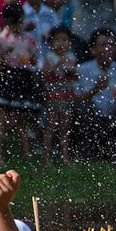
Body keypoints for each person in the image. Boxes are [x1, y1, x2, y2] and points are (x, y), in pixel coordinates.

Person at [0, 3, 41, 162]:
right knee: (3, 117)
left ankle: (26, 151)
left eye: (20, 22)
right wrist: (4, 55)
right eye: (15, 22)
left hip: (23, 76)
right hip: (7, 77)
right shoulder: (1, 39)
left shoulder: (28, 38)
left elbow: (35, 56)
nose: (17, 26)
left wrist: (31, 59)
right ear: (7, 21)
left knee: (22, 118)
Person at [74, 29, 116, 160]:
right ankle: (87, 151)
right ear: (93, 50)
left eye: (111, 44)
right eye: (103, 44)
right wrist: (95, 90)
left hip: (115, 117)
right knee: (81, 108)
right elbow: (74, 100)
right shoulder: (82, 70)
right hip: (92, 118)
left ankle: (115, 150)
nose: (108, 48)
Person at [41, 26, 77, 164]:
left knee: (65, 127)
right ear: (51, 43)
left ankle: (65, 156)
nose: (61, 44)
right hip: (53, 96)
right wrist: (58, 64)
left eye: (65, 40)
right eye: (57, 40)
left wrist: (73, 73)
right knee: (50, 126)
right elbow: (45, 74)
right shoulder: (50, 57)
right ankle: (47, 156)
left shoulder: (71, 57)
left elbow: (74, 76)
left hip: (67, 94)